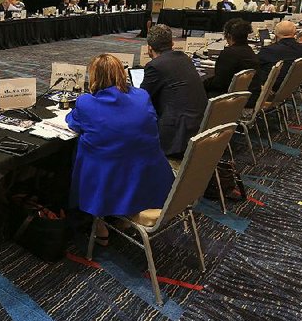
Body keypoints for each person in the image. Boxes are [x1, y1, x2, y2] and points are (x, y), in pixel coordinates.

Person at [66, 54, 174, 243]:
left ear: (93, 78)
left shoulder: (86, 103)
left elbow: (72, 122)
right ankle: (122, 215)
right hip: (152, 182)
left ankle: (99, 224)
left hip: (109, 185)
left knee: (82, 148)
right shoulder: (142, 95)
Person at [139, 25, 207, 158]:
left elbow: (141, 99)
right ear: (172, 43)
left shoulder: (155, 66)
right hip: (198, 126)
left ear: (149, 48)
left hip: (177, 136)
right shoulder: (185, 58)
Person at [203, 18, 261, 103]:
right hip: (249, 96)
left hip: (233, 100)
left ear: (229, 35)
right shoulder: (249, 51)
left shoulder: (229, 53)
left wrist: (203, 83)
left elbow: (219, 83)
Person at [257, 20, 302, 90]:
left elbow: (254, 64)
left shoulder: (268, 50)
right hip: (292, 84)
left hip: (269, 87)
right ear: (295, 32)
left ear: (275, 33)